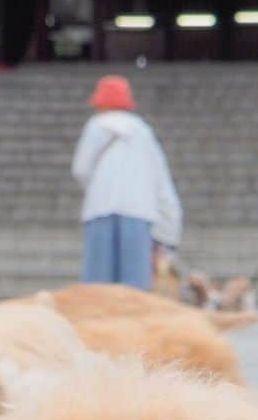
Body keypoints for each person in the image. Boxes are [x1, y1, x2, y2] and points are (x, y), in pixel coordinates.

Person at [71, 75, 181, 291]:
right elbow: (160, 182)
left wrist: (96, 188)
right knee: (134, 290)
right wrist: (170, 234)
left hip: (100, 210)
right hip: (138, 213)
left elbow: (80, 169)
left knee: (97, 288)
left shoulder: (95, 126)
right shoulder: (143, 131)